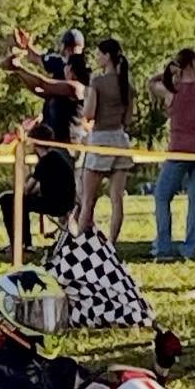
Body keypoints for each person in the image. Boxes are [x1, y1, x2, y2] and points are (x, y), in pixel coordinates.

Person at [147, 49, 195, 260]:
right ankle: (191, 246)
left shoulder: (172, 90)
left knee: (162, 195)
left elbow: (150, 84)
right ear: (193, 63)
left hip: (180, 149)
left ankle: (163, 245)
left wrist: (167, 73)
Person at [78, 38, 132, 244]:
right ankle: (112, 244)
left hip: (100, 140)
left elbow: (89, 113)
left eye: (99, 54)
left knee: (88, 199)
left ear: (107, 57)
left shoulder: (98, 82)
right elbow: (127, 119)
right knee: (117, 200)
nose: (97, 58)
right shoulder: (126, 84)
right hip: (120, 140)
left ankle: (81, 244)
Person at [0, 127, 77, 255]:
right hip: (65, 202)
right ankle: (24, 244)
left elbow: (27, 190)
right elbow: (45, 185)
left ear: (35, 142)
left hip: (55, 205)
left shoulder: (45, 161)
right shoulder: (57, 157)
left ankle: (19, 244)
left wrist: (12, 190)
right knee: (17, 201)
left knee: (8, 201)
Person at [14, 27, 88, 143]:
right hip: (52, 123)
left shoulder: (81, 72)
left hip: (69, 131)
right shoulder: (58, 62)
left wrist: (19, 69)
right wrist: (27, 47)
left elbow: (43, 84)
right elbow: (36, 59)